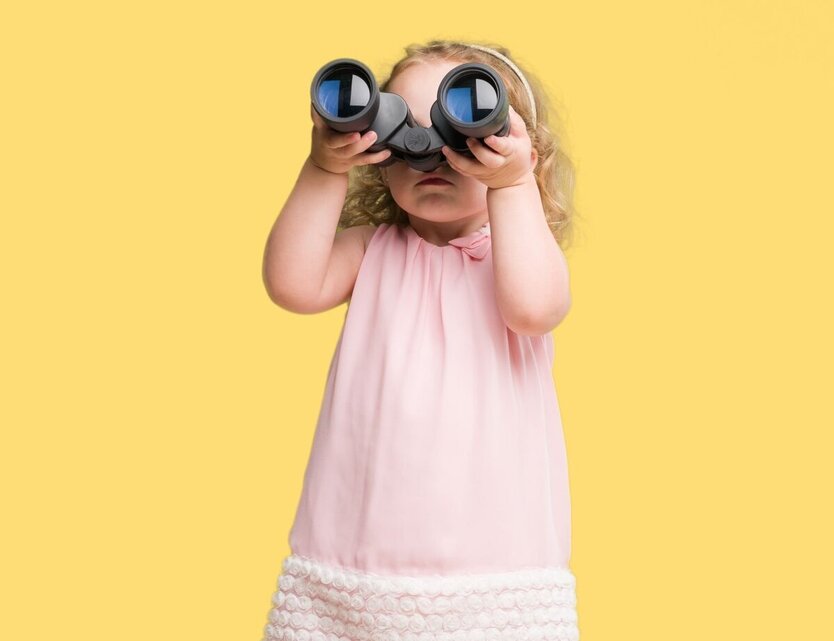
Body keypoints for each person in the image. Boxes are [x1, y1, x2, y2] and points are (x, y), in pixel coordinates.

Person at [261, 39, 580, 641]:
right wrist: (324, 166)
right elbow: (291, 284)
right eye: (404, 128)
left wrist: (512, 185)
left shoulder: (514, 260)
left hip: (491, 569)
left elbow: (536, 309)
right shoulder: (371, 250)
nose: (432, 152)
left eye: (459, 132)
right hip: (352, 570)